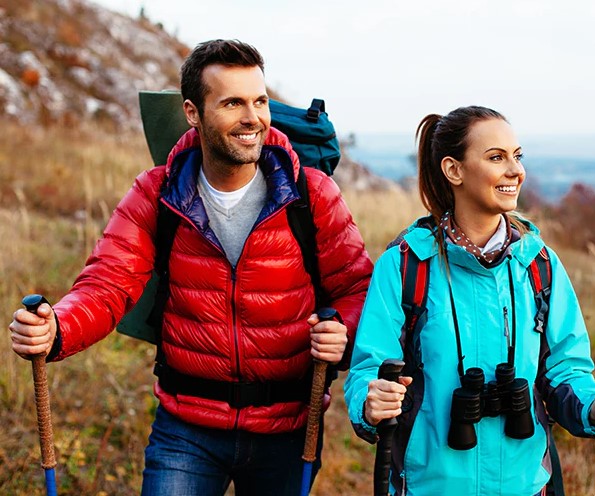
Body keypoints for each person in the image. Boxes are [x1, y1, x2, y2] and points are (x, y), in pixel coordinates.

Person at [9, 39, 373, 495]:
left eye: (260, 101)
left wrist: (342, 326)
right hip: (187, 426)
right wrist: (57, 327)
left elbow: (358, 287)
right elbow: (108, 281)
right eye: (232, 103)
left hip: (288, 425)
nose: (252, 118)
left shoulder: (311, 192)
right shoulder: (157, 192)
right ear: (193, 112)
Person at [343, 106, 595, 495]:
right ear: (454, 170)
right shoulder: (406, 265)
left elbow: (564, 370)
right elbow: (369, 368)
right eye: (497, 157)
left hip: (525, 486)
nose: (516, 170)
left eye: (518, 155)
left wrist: (594, 408)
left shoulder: (539, 265)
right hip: (429, 486)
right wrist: (369, 401)